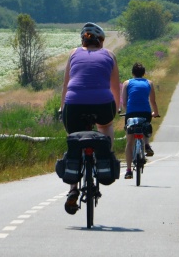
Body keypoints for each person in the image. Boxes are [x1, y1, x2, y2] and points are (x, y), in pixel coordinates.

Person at [60, 22, 120, 214]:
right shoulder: (110, 55)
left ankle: (72, 189)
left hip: (74, 104)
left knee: (75, 138)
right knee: (105, 126)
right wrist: (116, 109)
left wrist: (63, 109)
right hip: (102, 104)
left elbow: (66, 85)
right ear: (101, 41)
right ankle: (106, 157)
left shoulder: (73, 54)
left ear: (82, 40)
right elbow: (115, 87)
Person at [122, 62, 159, 179]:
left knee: (129, 142)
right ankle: (147, 144)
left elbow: (124, 102)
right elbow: (152, 101)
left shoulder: (127, 83)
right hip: (145, 112)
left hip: (131, 113)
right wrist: (156, 113)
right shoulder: (149, 83)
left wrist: (127, 111)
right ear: (144, 73)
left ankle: (128, 170)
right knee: (146, 125)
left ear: (132, 73)